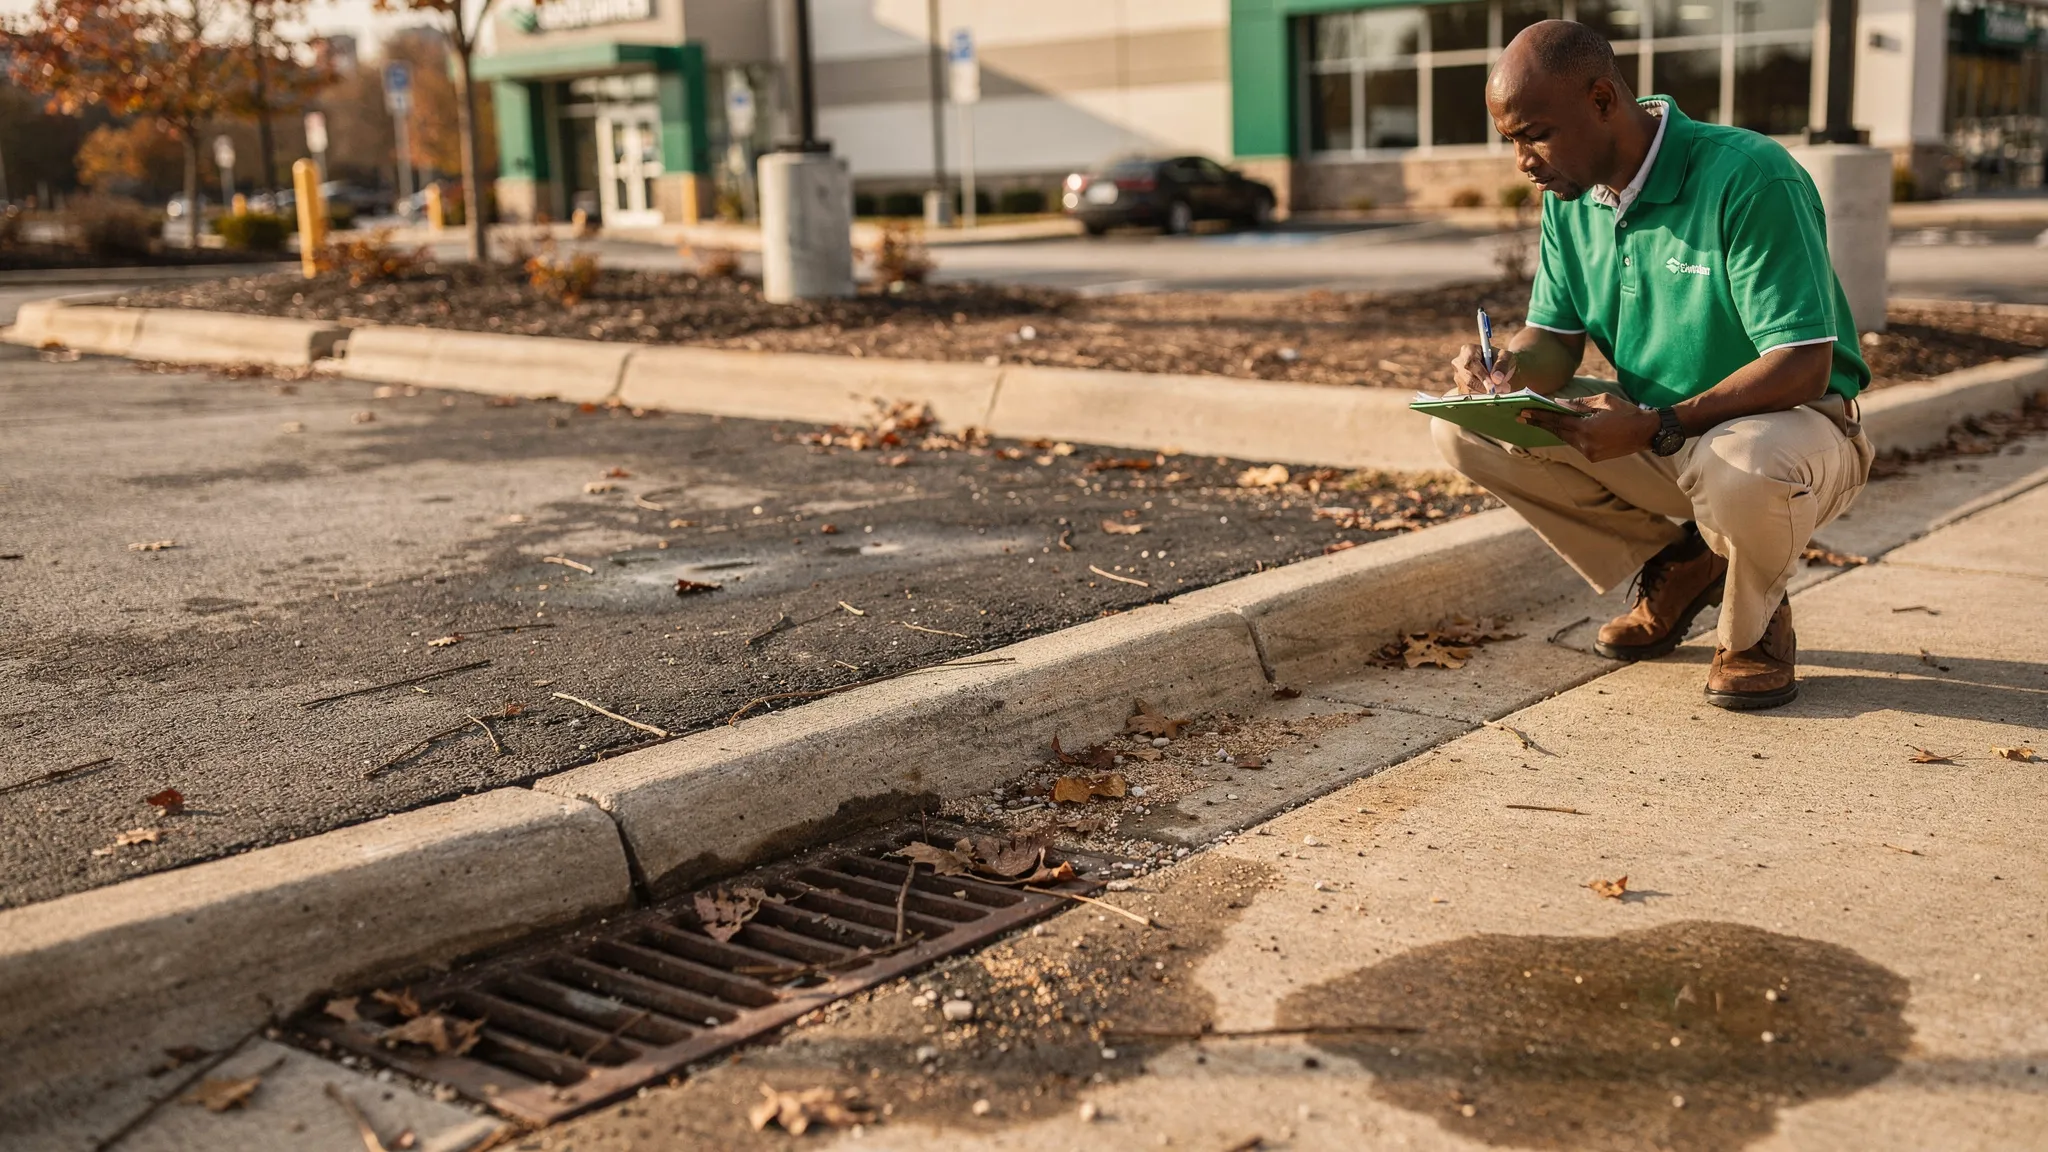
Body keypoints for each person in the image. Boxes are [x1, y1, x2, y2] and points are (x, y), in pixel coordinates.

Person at [1435, 19, 1873, 711]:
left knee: (1744, 459)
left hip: (1792, 431)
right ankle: (1684, 561)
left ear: (1603, 100)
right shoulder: (1571, 199)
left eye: (1535, 133)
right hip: (1662, 436)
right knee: (1466, 427)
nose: (1522, 160)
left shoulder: (1749, 175)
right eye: (1510, 141)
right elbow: (1552, 340)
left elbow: (1802, 366)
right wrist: (1507, 370)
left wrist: (1655, 424)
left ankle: (1754, 630)